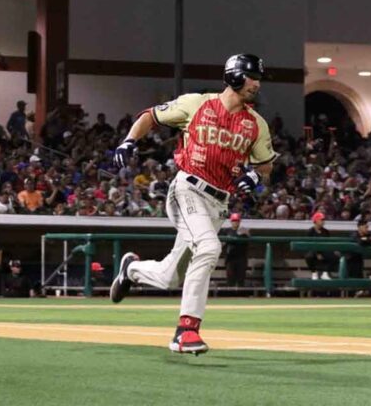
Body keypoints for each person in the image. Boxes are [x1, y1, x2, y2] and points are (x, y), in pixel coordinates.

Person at [109, 54, 276, 355]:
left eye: (258, 78)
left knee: (169, 275)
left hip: (218, 205)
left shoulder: (256, 125)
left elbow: (265, 167)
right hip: (188, 190)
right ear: (235, 76)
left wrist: (254, 177)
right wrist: (128, 141)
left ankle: (131, 270)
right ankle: (186, 331)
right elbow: (151, 116)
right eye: (252, 76)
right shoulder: (196, 103)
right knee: (210, 248)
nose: (257, 83)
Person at [304, 212, 337, 280]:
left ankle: (325, 273)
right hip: (313, 250)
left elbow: (328, 243)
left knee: (334, 255)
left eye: (323, 220)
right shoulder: (310, 231)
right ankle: (314, 273)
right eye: (321, 220)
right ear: (316, 220)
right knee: (309, 256)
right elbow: (309, 244)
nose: (323, 222)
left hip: (324, 250)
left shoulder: (326, 231)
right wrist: (317, 253)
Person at [221, 213, 250, 287]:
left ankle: (241, 295)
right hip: (230, 258)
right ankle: (230, 295)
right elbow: (222, 244)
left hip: (241, 257)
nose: (235, 222)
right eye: (233, 220)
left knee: (241, 278)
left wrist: (247, 234)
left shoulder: (243, 230)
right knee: (230, 278)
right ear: (231, 221)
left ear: (239, 221)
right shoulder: (226, 231)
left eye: (237, 220)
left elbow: (248, 242)